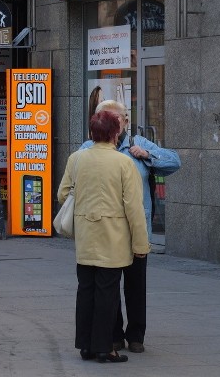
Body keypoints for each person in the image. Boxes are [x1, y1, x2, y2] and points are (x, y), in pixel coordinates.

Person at [81, 100, 181, 354]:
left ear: (125, 121)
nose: (113, 125)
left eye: (116, 120)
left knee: (136, 285)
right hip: (106, 233)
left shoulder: (139, 144)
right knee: (108, 286)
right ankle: (113, 336)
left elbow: (174, 162)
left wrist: (148, 156)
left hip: (137, 229)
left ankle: (136, 335)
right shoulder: (88, 148)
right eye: (106, 119)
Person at [59, 111, 149, 363]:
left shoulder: (76, 159)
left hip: (86, 236)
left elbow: (63, 194)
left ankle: (85, 345)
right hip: (114, 238)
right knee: (107, 292)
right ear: (115, 134)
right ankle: (105, 347)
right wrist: (141, 244)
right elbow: (134, 208)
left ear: (92, 133)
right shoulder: (124, 164)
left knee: (85, 289)